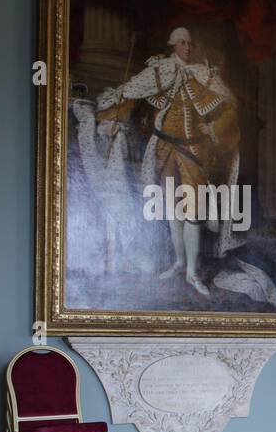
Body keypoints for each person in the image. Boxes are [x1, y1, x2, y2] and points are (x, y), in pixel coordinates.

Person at [96, 27, 241, 297]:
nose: (187, 47)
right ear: (173, 46)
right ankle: (179, 263)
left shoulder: (203, 73)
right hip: (164, 149)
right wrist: (112, 118)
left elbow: (229, 106)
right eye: (182, 43)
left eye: (190, 43)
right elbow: (130, 93)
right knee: (173, 212)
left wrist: (215, 129)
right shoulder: (159, 71)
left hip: (193, 151)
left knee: (193, 214)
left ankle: (193, 273)